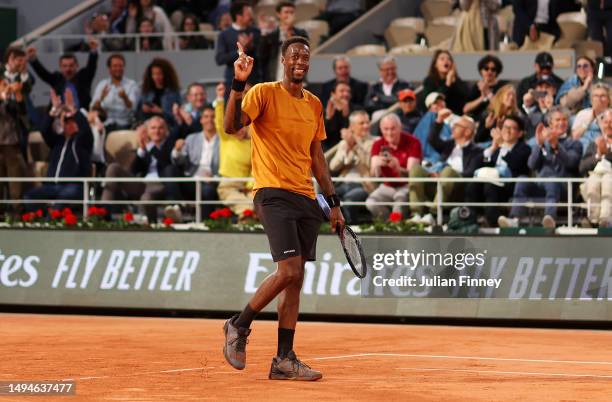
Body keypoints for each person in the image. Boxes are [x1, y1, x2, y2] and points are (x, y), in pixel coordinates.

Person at [222, 36, 344, 381]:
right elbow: (231, 127)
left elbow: (317, 158)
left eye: (305, 57)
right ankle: (238, 324)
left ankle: (284, 360)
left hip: (306, 196)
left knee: (296, 281)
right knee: (289, 270)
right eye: (294, 56)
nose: (300, 61)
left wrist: (333, 203)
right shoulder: (262, 92)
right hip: (272, 192)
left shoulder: (314, 104)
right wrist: (238, 84)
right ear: (283, 60)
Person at [499, 107, 582, 229]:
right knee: (522, 179)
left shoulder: (575, 144)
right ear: (550, 123)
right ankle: (514, 219)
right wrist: (539, 144)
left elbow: (571, 162)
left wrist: (556, 145)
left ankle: (550, 219)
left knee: (552, 180)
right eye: (557, 120)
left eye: (564, 120)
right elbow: (531, 165)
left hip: (563, 188)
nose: (561, 122)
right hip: (540, 186)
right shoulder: (543, 143)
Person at [24, 90, 93, 212]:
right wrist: (53, 111)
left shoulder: (82, 141)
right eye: (66, 121)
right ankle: (43, 219)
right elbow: (44, 130)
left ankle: (51, 222)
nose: (69, 124)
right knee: (29, 197)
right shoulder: (57, 141)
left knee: (65, 196)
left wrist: (74, 111)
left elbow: (86, 130)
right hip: (51, 186)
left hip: (73, 186)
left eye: (73, 120)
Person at [102, 116, 177, 223]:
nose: (157, 131)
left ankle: (152, 225)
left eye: (160, 128)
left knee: (146, 198)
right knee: (113, 168)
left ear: (166, 131)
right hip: (142, 183)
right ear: (148, 131)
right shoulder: (145, 146)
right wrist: (141, 150)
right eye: (153, 128)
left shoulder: (171, 144)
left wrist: (149, 146)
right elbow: (133, 170)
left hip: (160, 185)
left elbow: (166, 164)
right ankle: (104, 211)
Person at [410, 112, 483, 219]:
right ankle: (416, 213)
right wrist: (439, 120)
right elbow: (432, 140)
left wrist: (444, 175)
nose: (453, 127)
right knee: (416, 170)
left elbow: (470, 173)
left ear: (467, 132)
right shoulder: (449, 145)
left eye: (457, 126)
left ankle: (434, 213)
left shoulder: (477, 151)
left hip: (457, 188)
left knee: (448, 171)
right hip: (437, 183)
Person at [466, 114, 531, 226]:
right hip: (490, 182)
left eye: (512, 128)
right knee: (472, 185)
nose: (507, 131)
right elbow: (478, 164)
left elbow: (516, 164)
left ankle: (493, 221)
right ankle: (469, 219)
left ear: (520, 133)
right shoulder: (497, 149)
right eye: (505, 127)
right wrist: (493, 147)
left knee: (490, 186)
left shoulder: (524, 148)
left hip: (510, 186)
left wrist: (502, 145)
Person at [166, 106, 220, 220]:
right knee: (170, 169)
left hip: (212, 181)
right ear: (201, 120)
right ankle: (180, 206)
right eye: (206, 117)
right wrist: (177, 150)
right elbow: (179, 161)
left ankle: (205, 223)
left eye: (213, 117)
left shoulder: (224, 140)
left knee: (208, 190)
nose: (209, 120)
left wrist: (214, 177)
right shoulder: (192, 138)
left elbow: (228, 164)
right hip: (192, 179)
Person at [365, 114, 422, 219]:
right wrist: (376, 166)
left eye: (393, 129)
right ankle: (389, 225)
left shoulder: (413, 142)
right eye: (386, 129)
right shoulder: (378, 144)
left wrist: (398, 168)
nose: (389, 133)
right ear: (381, 129)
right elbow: (374, 176)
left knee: (399, 204)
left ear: (400, 128)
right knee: (370, 203)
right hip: (387, 185)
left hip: (406, 185)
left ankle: (396, 226)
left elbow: (412, 175)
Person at [213, 82, 253, 217]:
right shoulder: (227, 137)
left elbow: (254, 169)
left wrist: (248, 187)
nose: (239, 126)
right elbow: (219, 122)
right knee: (248, 207)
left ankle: (247, 222)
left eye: (242, 123)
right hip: (228, 185)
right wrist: (219, 99)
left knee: (257, 204)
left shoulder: (253, 142)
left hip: (249, 186)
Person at [329, 110, 375, 224]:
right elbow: (333, 166)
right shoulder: (344, 143)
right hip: (344, 182)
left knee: (349, 200)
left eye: (367, 122)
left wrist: (354, 146)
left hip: (364, 184)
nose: (366, 126)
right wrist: (346, 149)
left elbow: (369, 163)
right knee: (325, 199)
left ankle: (351, 229)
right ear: (352, 126)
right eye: (362, 123)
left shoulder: (375, 142)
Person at [27, 40, 99, 109]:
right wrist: (33, 58)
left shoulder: (84, 77)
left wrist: (93, 50)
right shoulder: (57, 79)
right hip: (60, 115)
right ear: (60, 67)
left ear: (77, 66)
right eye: (64, 66)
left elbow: (91, 66)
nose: (68, 69)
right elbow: (43, 73)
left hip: (81, 115)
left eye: (71, 65)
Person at [215, 1, 260, 98]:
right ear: (238, 16)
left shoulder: (256, 32)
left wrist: (251, 47)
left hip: (254, 81)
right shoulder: (224, 35)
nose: (251, 17)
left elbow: (262, 57)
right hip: (232, 82)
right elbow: (220, 59)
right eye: (248, 14)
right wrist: (240, 51)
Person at [257, 1, 308, 83]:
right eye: (286, 12)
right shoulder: (271, 35)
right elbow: (261, 55)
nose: (289, 15)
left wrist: (289, 31)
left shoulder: (301, 34)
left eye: (292, 12)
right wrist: (264, 33)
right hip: (274, 79)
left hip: (295, 80)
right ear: (278, 14)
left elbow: (303, 53)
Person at [0, 76, 28, 214]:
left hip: (11, 145)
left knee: (15, 184)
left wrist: (17, 94)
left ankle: (17, 213)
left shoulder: (10, 101)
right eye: (3, 84)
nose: (6, 86)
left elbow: (22, 112)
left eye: (6, 84)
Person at [579, 109, 612, 227]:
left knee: (608, 182)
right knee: (593, 182)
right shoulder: (594, 144)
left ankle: (605, 219)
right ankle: (593, 220)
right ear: (602, 124)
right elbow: (582, 167)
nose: (609, 125)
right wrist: (598, 154)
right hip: (595, 175)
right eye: (606, 122)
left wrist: (607, 153)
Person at [90, 53, 139, 131]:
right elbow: (93, 108)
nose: (118, 68)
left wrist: (125, 98)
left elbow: (133, 108)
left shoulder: (131, 84)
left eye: (120, 66)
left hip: (125, 124)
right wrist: (101, 98)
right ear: (109, 68)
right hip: (105, 123)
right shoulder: (102, 84)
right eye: (115, 66)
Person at [420, 50, 467, 116]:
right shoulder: (429, 81)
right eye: (442, 59)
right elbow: (432, 101)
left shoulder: (457, 81)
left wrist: (454, 82)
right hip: (437, 116)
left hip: (456, 115)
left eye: (449, 59)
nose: (446, 61)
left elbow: (464, 100)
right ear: (435, 64)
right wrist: (447, 84)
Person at [135, 58, 181, 125]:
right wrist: (142, 109)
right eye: (154, 74)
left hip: (167, 127)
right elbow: (136, 113)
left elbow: (177, 118)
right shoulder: (144, 90)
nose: (156, 77)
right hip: (147, 125)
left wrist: (161, 111)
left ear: (166, 75)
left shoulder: (174, 92)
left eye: (159, 74)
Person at [571, 83, 611, 154]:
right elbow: (574, 137)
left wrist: (600, 121)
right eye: (596, 96)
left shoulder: (610, 114)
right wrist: (589, 120)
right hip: (582, 151)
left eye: (602, 96)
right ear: (591, 100)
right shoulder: (583, 113)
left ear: (608, 99)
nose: (599, 99)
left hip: (604, 151)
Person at [463, 54, 507, 119]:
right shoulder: (476, 86)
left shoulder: (502, 86)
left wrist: (488, 92)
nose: (489, 71)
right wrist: (482, 97)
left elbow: (501, 108)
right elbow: (466, 109)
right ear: (481, 71)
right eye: (486, 68)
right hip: (476, 121)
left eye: (493, 69)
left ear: (497, 72)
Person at [323, 81, 354, 151]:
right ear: (333, 94)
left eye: (348, 91)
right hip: (328, 148)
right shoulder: (324, 110)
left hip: (350, 147)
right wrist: (328, 117)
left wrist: (346, 115)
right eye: (342, 91)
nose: (346, 94)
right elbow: (322, 136)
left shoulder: (356, 109)